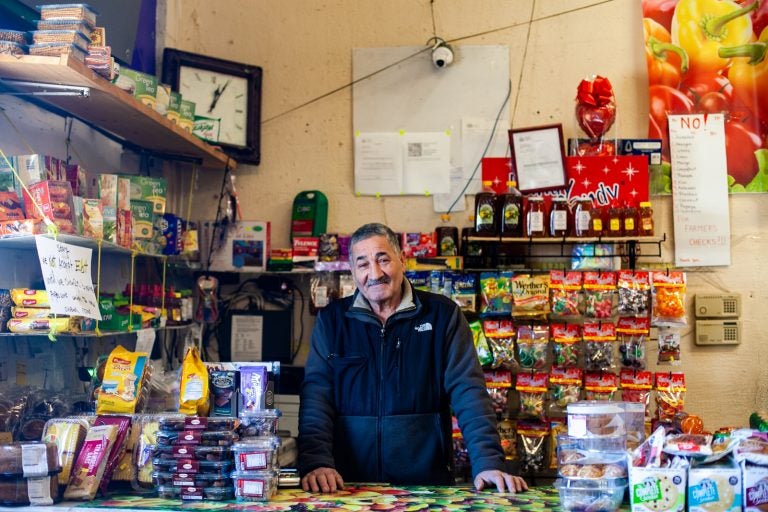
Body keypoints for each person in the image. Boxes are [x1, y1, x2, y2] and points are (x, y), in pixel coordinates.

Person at [298, 222, 528, 494]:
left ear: (402, 261)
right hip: (347, 487)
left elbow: (468, 392)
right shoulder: (333, 321)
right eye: (363, 264)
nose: (375, 273)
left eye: (383, 259)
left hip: (426, 486)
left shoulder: (442, 315)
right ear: (353, 271)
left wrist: (488, 461)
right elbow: (317, 397)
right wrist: (316, 462)